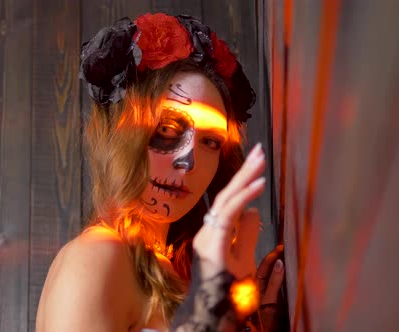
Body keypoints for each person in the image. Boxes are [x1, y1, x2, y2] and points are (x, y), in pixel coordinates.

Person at [36, 13, 285, 332]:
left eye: (210, 141)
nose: (189, 160)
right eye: (168, 128)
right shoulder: (97, 257)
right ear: (122, 133)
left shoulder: (175, 274)